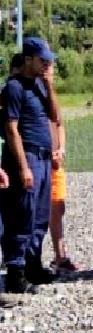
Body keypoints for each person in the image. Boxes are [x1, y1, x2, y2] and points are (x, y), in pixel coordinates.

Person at [0, 39, 56, 294]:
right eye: (42, 60)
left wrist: (50, 85)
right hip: (27, 156)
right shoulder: (13, 87)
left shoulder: (40, 85)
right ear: (29, 59)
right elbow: (11, 130)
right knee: (21, 214)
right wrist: (23, 167)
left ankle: (33, 264)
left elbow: (54, 116)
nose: (46, 64)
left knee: (40, 216)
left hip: (44, 156)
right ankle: (16, 271)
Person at [43, 58, 75, 273]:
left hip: (55, 161)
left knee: (58, 207)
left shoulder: (49, 95)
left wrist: (61, 148)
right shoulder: (24, 93)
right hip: (38, 159)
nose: (50, 74)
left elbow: (59, 123)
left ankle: (59, 255)